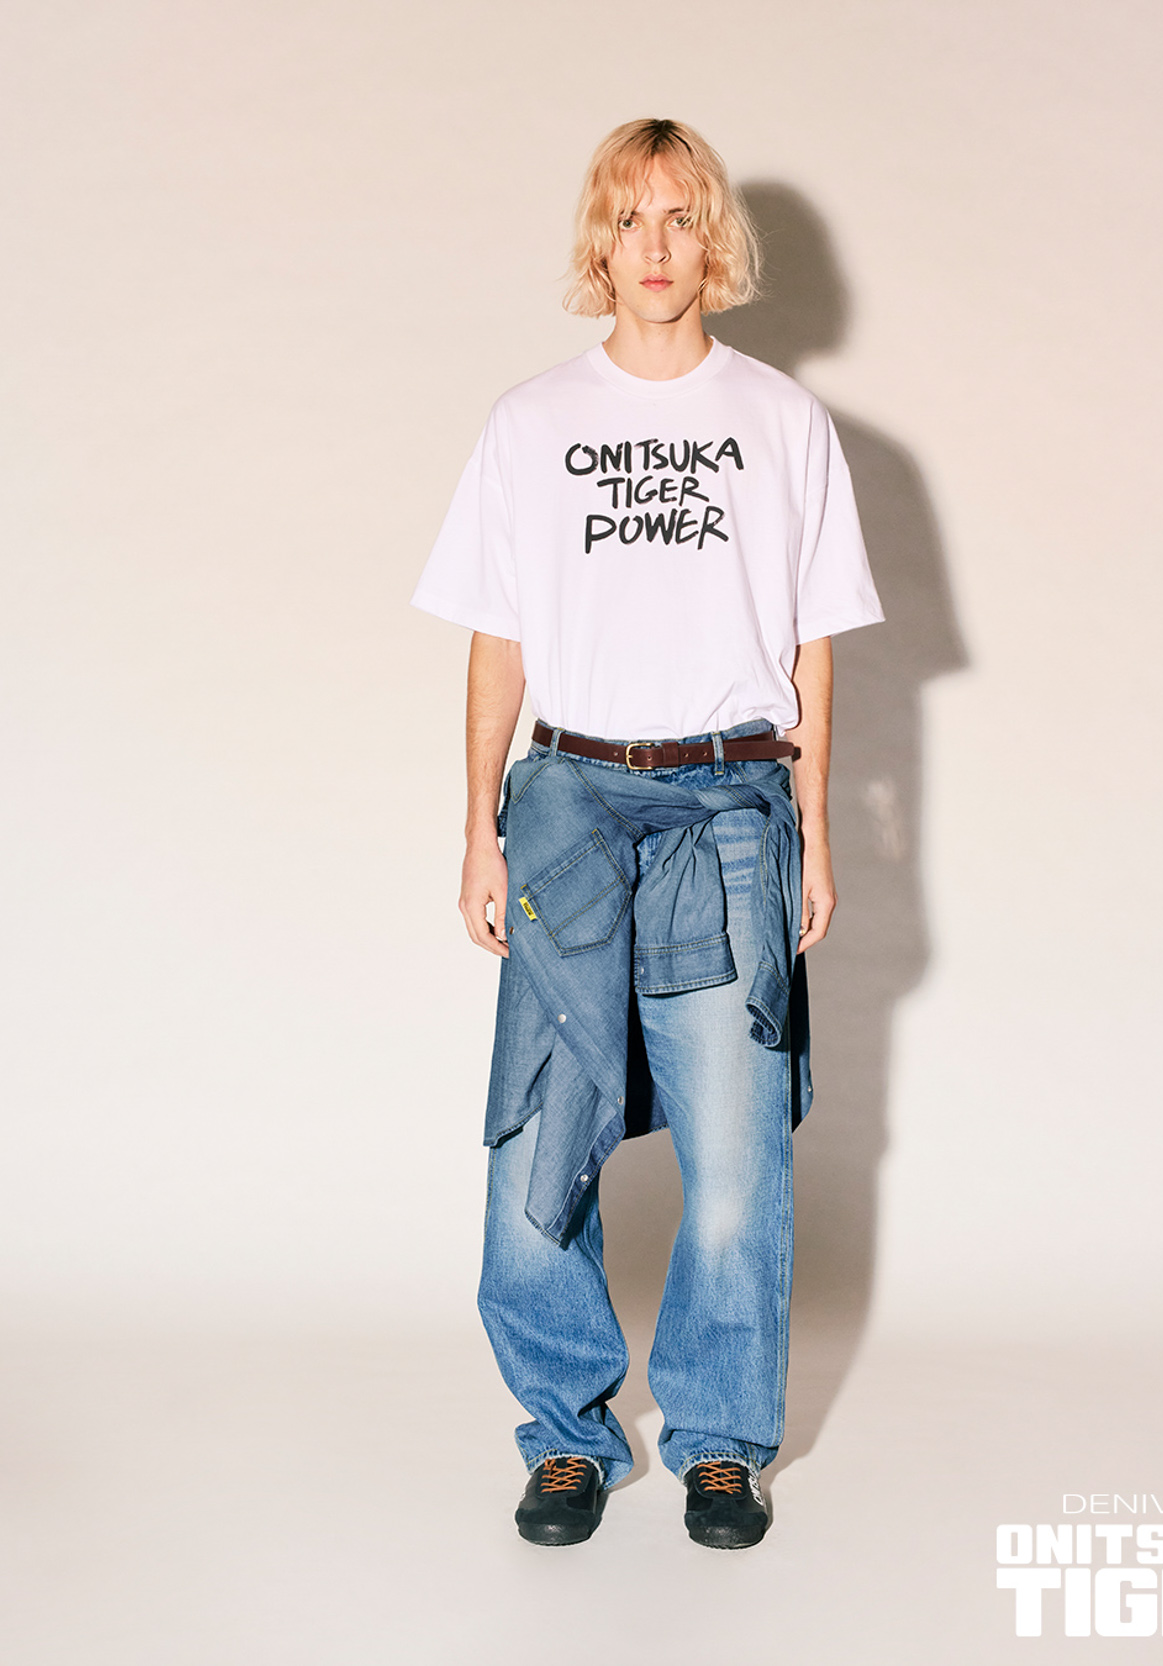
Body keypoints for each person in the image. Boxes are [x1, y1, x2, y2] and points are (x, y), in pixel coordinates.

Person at [411, 117, 882, 1549]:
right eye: (631, 219)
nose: (657, 246)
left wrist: (812, 827)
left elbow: (810, 643)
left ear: (713, 240)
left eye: (682, 217)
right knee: (535, 1143)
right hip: (568, 798)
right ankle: (565, 1434)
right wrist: (478, 827)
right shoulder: (528, 423)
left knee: (735, 1161)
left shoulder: (785, 423)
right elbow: (497, 640)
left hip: (729, 804)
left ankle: (720, 1441)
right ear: (600, 245)